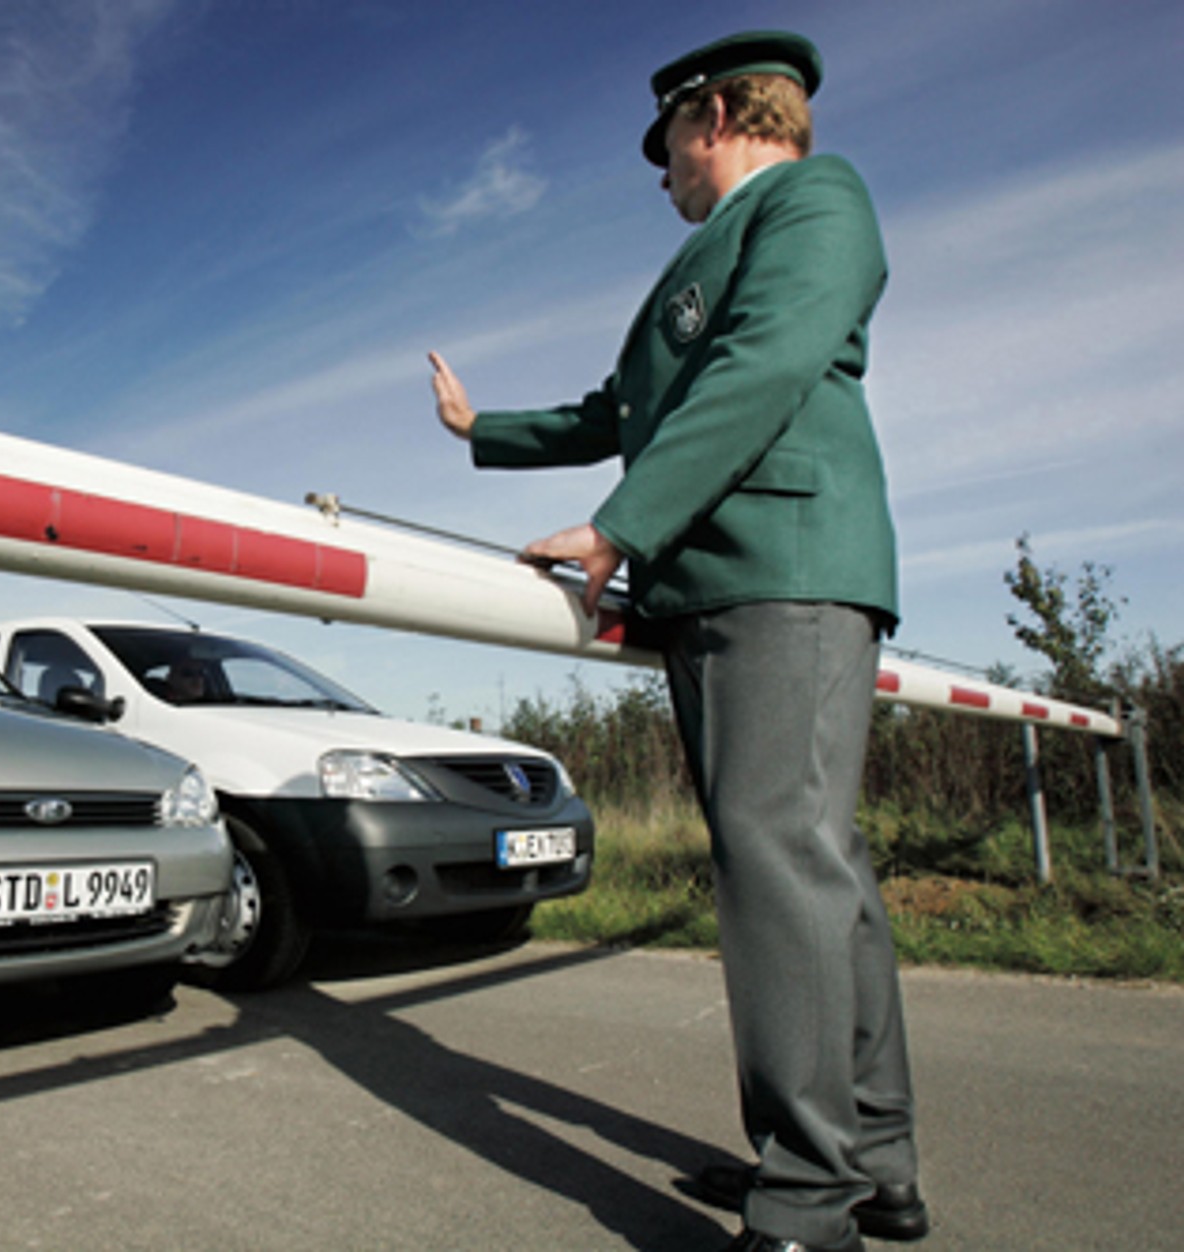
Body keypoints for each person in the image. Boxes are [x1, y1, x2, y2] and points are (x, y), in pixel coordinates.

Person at [430, 31, 925, 1252]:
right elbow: (620, 410)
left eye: (662, 156)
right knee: (814, 869)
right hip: (719, 584)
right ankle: (868, 1165)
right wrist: (477, 427)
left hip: (784, 569)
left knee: (779, 865)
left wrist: (617, 527)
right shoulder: (700, 260)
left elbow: (762, 365)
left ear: (709, 116)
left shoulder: (816, 197)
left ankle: (809, 1196)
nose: (659, 181)